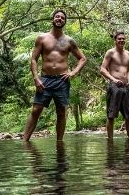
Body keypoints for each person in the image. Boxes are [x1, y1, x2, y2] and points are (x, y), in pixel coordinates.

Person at [23, 9, 88, 141]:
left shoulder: (69, 41)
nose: (59, 19)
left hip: (62, 81)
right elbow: (34, 59)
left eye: (62, 18)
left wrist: (73, 73)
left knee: (61, 112)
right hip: (45, 79)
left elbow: (82, 59)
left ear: (65, 22)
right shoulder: (42, 38)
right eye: (57, 17)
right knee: (36, 110)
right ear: (52, 19)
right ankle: (24, 141)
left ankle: (59, 143)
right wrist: (36, 78)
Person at [100, 30, 129, 139]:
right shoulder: (110, 52)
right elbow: (103, 69)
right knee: (111, 115)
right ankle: (110, 140)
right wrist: (113, 79)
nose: (122, 40)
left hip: (125, 87)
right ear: (115, 40)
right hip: (114, 87)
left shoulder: (128, 54)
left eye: (123, 39)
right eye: (119, 39)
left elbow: (128, 70)